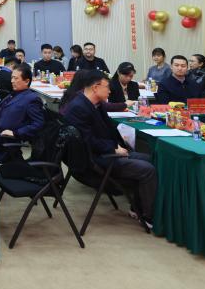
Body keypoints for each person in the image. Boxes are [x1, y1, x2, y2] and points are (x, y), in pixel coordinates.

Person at [62, 70, 157, 226]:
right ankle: (148, 217)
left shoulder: (94, 103)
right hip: (95, 160)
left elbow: (107, 130)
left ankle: (138, 208)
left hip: (104, 152)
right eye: (107, 87)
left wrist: (119, 144)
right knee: (147, 169)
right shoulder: (79, 107)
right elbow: (87, 140)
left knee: (152, 159)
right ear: (95, 88)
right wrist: (113, 148)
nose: (110, 91)